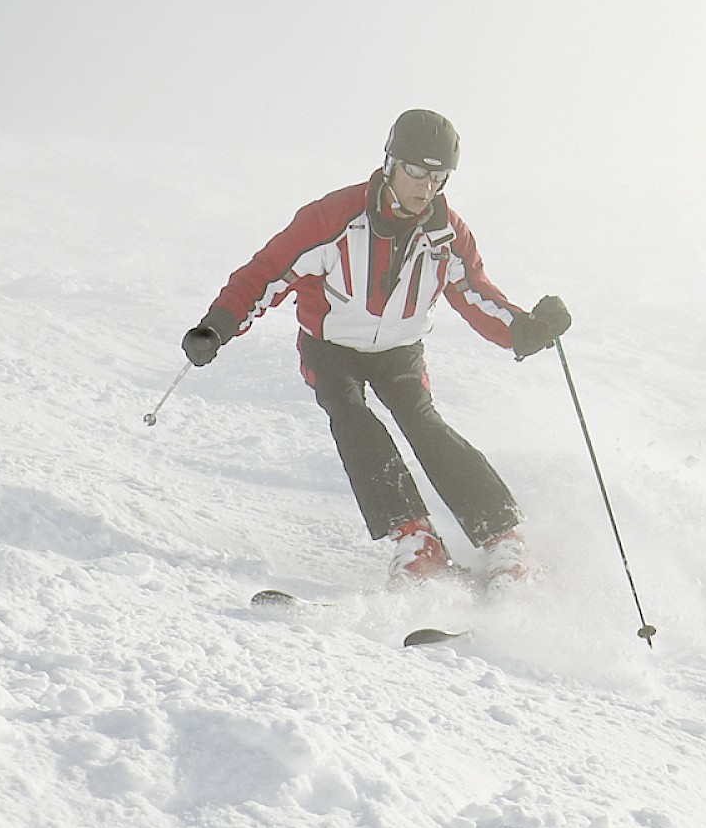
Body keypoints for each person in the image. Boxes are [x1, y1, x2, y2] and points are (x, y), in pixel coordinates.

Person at [181, 111, 571, 580]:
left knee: (423, 423)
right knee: (351, 417)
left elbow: (476, 294)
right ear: (390, 164)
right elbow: (265, 274)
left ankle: (502, 537)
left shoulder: (446, 235)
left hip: (400, 350)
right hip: (330, 347)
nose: (427, 187)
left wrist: (526, 330)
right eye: (417, 171)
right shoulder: (333, 218)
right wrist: (217, 327)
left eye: (439, 177)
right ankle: (416, 539)